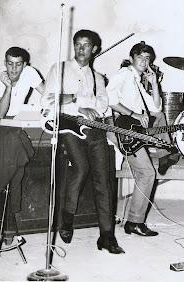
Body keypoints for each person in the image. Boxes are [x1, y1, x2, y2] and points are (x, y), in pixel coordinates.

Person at [41, 29, 124, 254]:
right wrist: (80, 104)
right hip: (68, 127)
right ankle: (67, 219)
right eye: (77, 44)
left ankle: (106, 236)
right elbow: (49, 100)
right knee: (80, 169)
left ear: (94, 49)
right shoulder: (59, 69)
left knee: (103, 181)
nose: (80, 49)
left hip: (94, 131)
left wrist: (77, 98)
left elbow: (103, 106)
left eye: (86, 45)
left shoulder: (98, 78)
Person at [107, 42, 179, 237]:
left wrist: (154, 83)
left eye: (148, 59)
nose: (144, 61)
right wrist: (134, 114)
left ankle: (165, 155)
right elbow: (109, 99)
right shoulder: (124, 74)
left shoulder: (137, 80)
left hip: (134, 126)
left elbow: (155, 109)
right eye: (140, 57)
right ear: (132, 59)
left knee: (161, 117)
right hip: (121, 127)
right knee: (147, 174)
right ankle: (134, 223)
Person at [0, 47, 44, 221]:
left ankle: (9, 213)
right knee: (16, 144)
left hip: (16, 119)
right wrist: (8, 88)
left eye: (18, 64)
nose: (13, 69)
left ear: (25, 65)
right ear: (5, 63)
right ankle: (4, 196)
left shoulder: (30, 73)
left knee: (17, 150)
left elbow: (47, 94)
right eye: (10, 63)